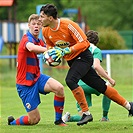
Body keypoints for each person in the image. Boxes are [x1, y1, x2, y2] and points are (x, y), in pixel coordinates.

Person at [39, 4, 133, 126]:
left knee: (70, 80)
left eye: (42, 16)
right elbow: (50, 46)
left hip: (84, 57)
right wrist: (52, 55)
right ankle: (129, 106)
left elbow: (84, 43)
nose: (39, 19)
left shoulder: (68, 25)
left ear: (50, 18)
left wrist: (66, 51)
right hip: (72, 60)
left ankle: (86, 113)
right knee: (100, 86)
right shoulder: (45, 30)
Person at [7, 14, 67, 126]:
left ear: (41, 26)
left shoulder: (40, 41)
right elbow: (31, 47)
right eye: (33, 24)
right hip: (25, 84)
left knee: (59, 88)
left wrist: (59, 50)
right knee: (34, 120)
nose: (36, 26)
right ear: (29, 25)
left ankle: (58, 120)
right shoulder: (26, 39)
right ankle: (13, 123)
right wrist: (49, 50)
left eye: (38, 24)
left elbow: (50, 47)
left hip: (37, 77)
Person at [62, 30, 115, 123]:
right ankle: (105, 117)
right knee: (108, 89)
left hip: (78, 85)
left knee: (84, 116)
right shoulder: (95, 50)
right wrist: (109, 78)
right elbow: (96, 66)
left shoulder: (79, 48)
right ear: (97, 42)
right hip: (90, 83)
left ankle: (69, 118)